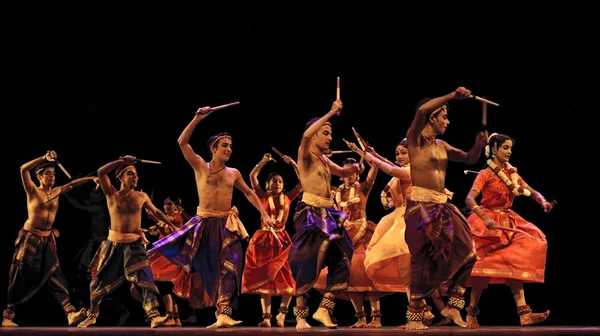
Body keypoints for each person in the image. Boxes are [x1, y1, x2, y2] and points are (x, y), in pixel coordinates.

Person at [147, 105, 275, 329]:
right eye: (225, 145)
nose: (229, 149)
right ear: (213, 148)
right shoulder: (200, 167)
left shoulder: (233, 173)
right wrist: (197, 118)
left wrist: (264, 214)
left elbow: (249, 193)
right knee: (208, 268)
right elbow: (182, 142)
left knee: (230, 266)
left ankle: (224, 313)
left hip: (226, 224)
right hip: (203, 224)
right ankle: (174, 308)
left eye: (231, 146)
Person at [403, 87, 487, 330]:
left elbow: (470, 158)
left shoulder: (443, 146)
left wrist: (478, 144)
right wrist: (452, 96)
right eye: (444, 116)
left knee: (469, 252)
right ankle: (414, 314)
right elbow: (420, 110)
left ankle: (453, 304)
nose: (447, 122)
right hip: (421, 206)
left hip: (442, 204)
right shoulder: (415, 139)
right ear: (433, 117)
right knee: (422, 259)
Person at [464, 133, 552, 328]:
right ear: (494, 149)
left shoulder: (512, 173)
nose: (509, 152)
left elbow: (530, 190)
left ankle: (524, 313)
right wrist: (485, 218)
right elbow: (469, 200)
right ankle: (471, 312)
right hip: (488, 222)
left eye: (510, 148)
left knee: (516, 261)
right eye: (505, 148)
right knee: (483, 269)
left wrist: (542, 202)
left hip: (509, 221)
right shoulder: (485, 174)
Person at [288, 99, 361, 329]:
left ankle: (324, 308)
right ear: (315, 135)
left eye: (331, 133)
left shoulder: (324, 160)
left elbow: (342, 171)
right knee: (308, 261)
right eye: (326, 133)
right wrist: (330, 112)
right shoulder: (305, 155)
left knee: (343, 259)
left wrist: (356, 166)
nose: (330, 137)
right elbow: (304, 136)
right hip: (311, 213)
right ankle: (300, 315)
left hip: (329, 213)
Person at [2, 151, 95, 327]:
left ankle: (70, 313)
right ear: (39, 176)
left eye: (53, 174)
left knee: (55, 273)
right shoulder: (32, 191)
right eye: (48, 174)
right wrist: (43, 159)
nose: (52, 177)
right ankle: (8, 315)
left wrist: (92, 179)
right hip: (31, 237)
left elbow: (73, 184)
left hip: (47, 239)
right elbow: (23, 169)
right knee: (21, 275)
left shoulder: (57, 191)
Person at [77, 156, 172, 328]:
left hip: (135, 244)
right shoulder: (112, 194)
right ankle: (92, 314)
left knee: (145, 277)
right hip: (114, 244)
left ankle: (153, 315)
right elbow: (101, 172)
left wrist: (172, 225)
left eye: (136, 174)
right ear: (121, 177)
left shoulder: (141, 196)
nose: (135, 177)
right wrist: (121, 161)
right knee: (97, 283)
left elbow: (156, 211)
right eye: (130, 173)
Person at [314, 155, 381, 328]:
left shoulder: (363, 188)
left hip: (362, 233)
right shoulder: (335, 191)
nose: (350, 175)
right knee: (350, 276)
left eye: (353, 171)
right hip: (343, 233)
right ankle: (360, 317)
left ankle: (376, 318)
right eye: (347, 171)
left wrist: (366, 155)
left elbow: (374, 170)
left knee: (366, 274)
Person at [241, 153, 302, 327]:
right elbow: (252, 176)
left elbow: (303, 182)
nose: (277, 183)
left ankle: (282, 314)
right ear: (268, 184)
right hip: (264, 240)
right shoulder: (260, 195)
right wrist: (263, 161)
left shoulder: (288, 197)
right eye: (274, 181)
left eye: (280, 181)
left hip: (282, 240)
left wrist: (294, 165)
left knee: (289, 278)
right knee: (265, 277)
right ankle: (266, 317)